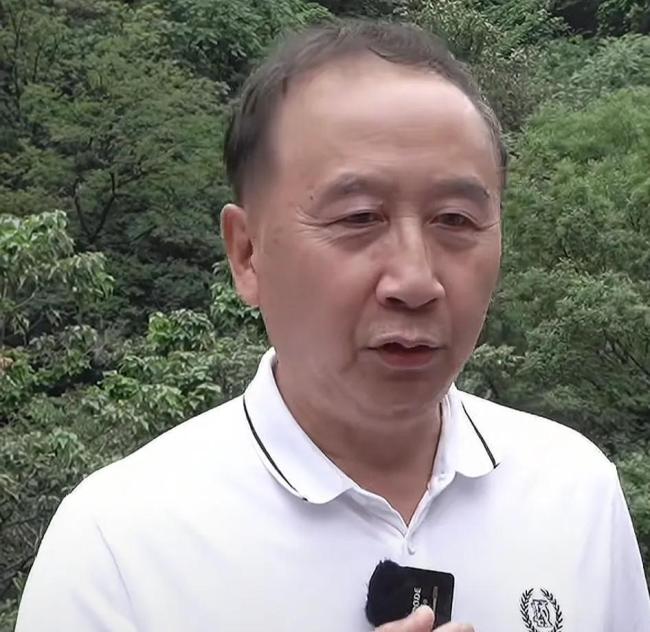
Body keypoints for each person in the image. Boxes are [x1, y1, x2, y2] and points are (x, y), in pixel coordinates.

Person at [15, 19, 650, 632]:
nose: (415, 280)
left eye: (455, 220)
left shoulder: (574, 492)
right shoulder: (118, 550)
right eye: (358, 218)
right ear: (248, 254)